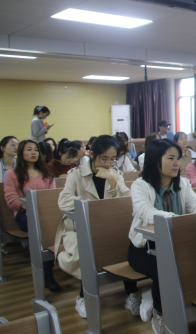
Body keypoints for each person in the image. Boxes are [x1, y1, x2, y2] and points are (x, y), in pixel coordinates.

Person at [128, 139, 196, 334]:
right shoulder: (140, 185)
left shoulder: (182, 184)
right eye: (170, 158)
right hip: (144, 248)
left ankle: (184, 303)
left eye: (178, 158)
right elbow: (146, 211)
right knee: (166, 270)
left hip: (174, 244)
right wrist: (177, 220)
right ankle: (160, 313)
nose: (177, 163)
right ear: (155, 160)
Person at [56, 135, 134, 318]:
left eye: (113, 159)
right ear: (92, 155)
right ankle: (83, 296)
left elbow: (128, 202)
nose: (108, 163)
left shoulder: (115, 174)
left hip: (108, 228)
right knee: (88, 249)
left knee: (128, 244)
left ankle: (131, 293)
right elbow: (64, 201)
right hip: (80, 228)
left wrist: (113, 182)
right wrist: (94, 208)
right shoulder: (76, 174)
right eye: (103, 158)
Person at [4, 140, 59, 292]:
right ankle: (47, 274)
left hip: (44, 214)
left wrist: (42, 205)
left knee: (50, 226)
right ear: (21, 153)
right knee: (44, 227)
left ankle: (49, 271)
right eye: (29, 149)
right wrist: (29, 204)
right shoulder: (12, 174)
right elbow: (11, 199)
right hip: (24, 215)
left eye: (36, 150)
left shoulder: (46, 172)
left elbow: (51, 195)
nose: (34, 152)